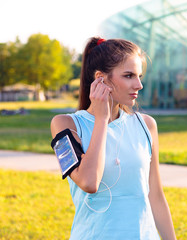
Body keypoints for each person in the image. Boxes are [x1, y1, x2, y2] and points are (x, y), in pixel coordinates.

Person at [50, 37, 177, 239]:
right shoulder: (65, 125)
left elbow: (156, 196)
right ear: (100, 78)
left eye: (139, 76)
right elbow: (89, 182)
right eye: (128, 75)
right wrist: (102, 119)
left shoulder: (147, 125)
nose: (139, 85)